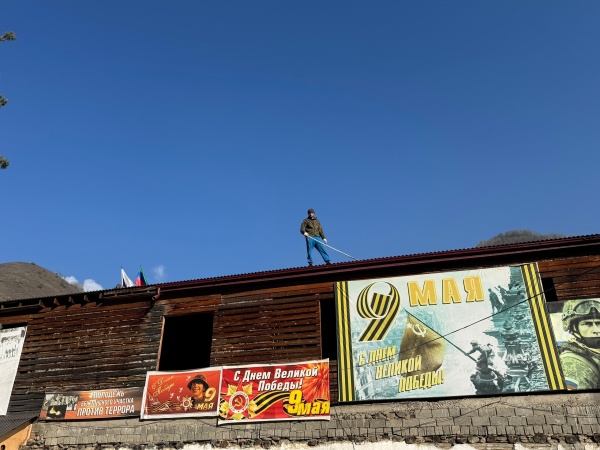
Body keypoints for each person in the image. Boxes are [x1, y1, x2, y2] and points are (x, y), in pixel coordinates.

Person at [559, 299, 600, 390]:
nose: (596, 330)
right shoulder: (572, 364)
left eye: (599, 323)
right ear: (573, 328)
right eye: (587, 324)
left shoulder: (595, 353)